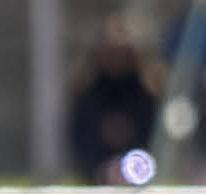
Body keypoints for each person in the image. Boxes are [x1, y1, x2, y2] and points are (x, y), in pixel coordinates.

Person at [62, 21, 165, 184]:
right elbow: (80, 131)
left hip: (139, 159)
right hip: (97, 161)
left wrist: (128, 130)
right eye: (111, 52)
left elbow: (153, 130)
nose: (116, 58)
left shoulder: (145, 88)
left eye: (121, 52)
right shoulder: (88, 87)